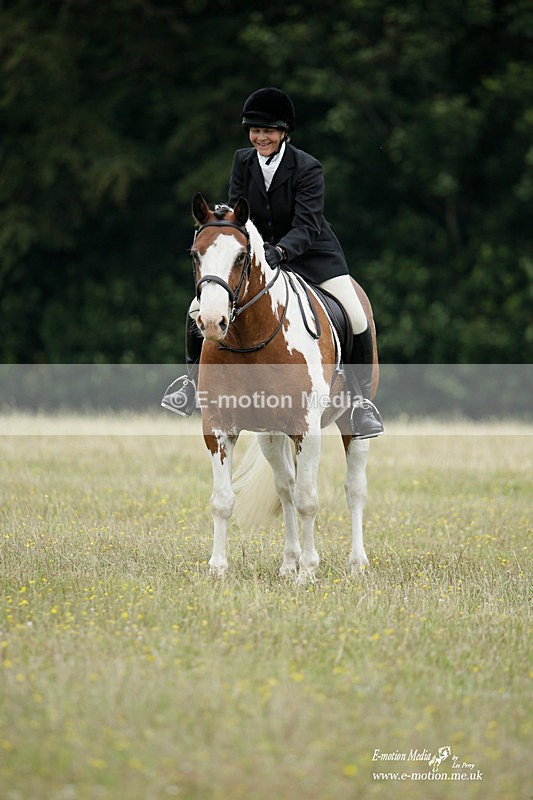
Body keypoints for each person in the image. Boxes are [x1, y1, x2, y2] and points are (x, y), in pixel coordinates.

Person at [162, 87, 383, 438]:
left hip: (312, 255)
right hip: (258, 258)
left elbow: (308, 225)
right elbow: (238, 217)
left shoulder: (307, 167)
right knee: (197, 307)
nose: (260, 137)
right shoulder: (242, 161)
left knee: (355, 315)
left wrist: (280, 251)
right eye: (255, 130)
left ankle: (360, 402)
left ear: (284, 132)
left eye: (268, 131)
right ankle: (190, 384)